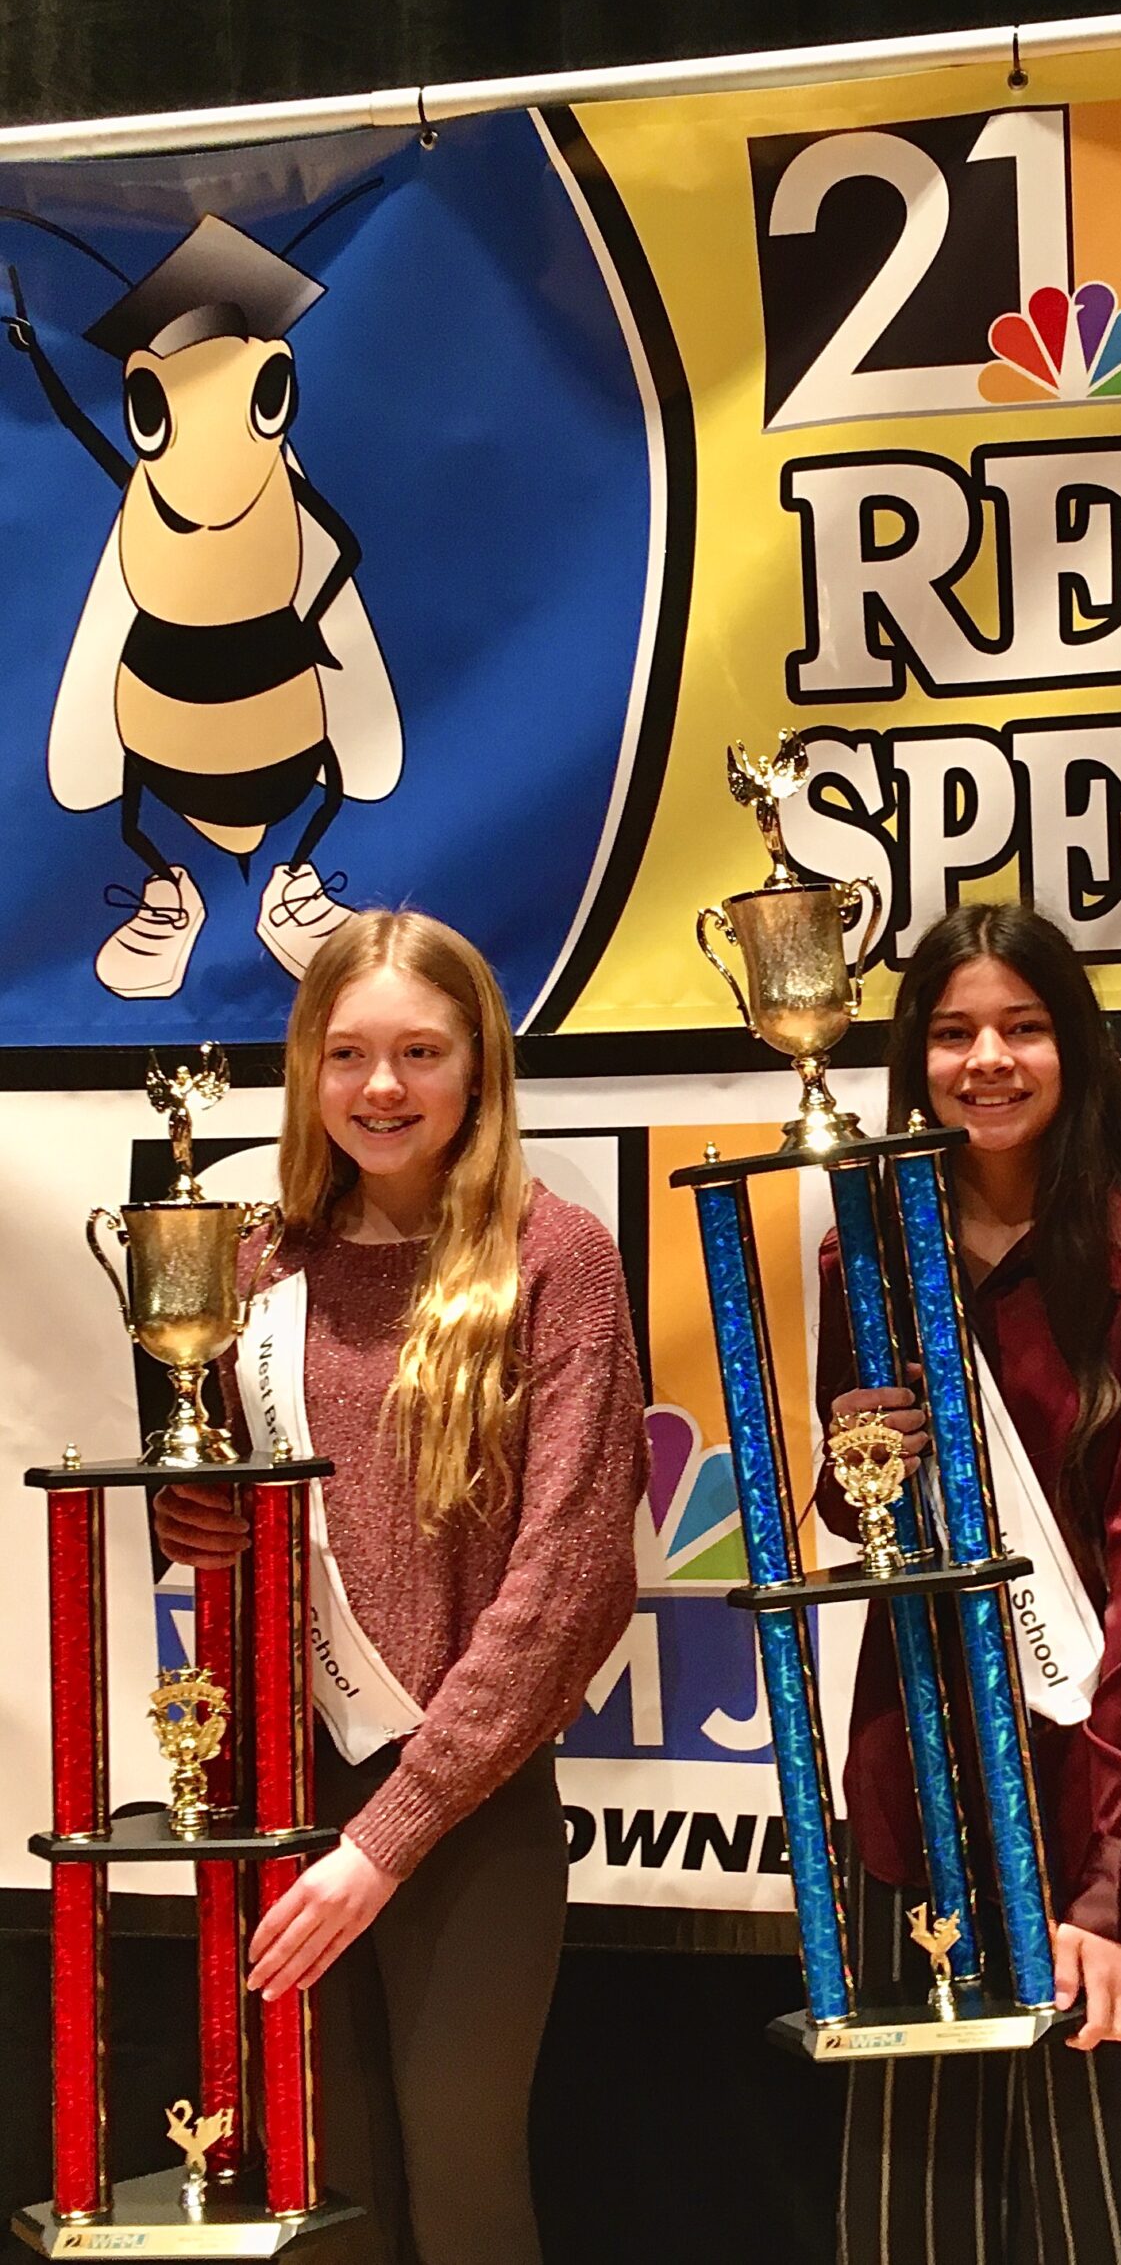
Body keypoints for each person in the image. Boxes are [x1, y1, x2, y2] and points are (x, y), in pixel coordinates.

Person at [151, 909, 645, 2265]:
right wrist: (200, 1517)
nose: (383, 1087)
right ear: (307, 1069)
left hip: (466, 1807)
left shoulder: (558, 1258)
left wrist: (391, 1832)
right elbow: (258, 1508)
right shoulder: (258, 1262)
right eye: (349, 1053)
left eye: (421, 1051)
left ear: (479, 1066)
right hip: (278, 1787)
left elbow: (571, 1574)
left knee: (464, 2187)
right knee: (319, 2197)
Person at [810, 900, 1121, 2265]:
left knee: (1100, 2203)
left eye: (1022, 1026)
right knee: (908, 2204)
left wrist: (1112, 1881)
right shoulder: (865, 1251)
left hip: (1100, 1780)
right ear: (916, 1059)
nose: (988, 1059)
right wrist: (858, 1457)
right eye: (954, 1033)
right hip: (915, 1769)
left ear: (1075, 1048)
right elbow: (856, 1517)